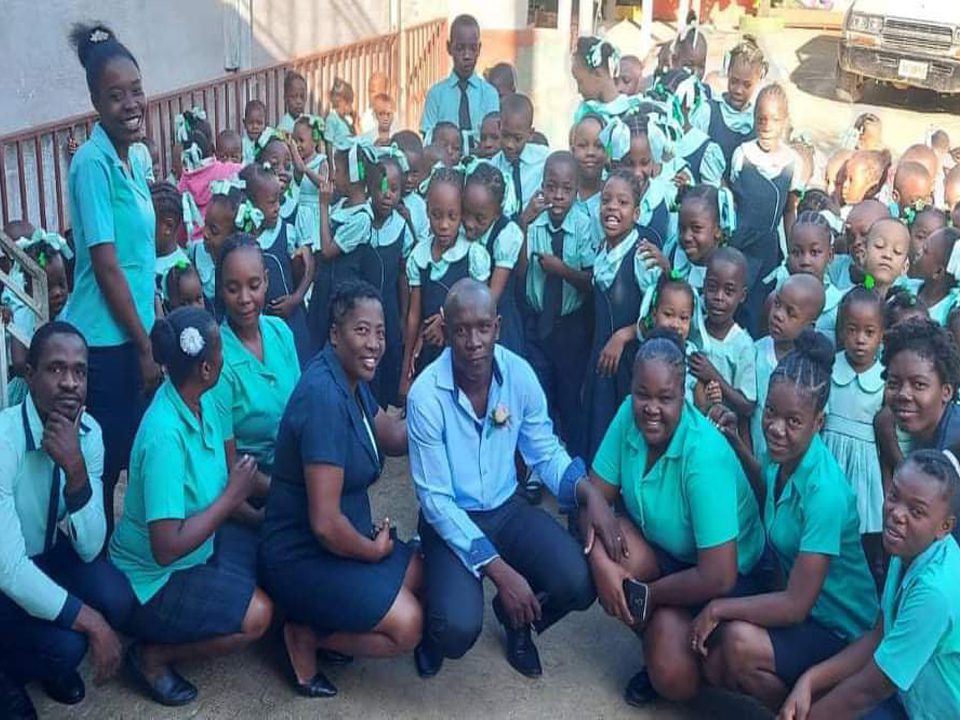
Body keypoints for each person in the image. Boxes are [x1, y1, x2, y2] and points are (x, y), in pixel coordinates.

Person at [406, 279, 619, 679]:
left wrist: (589, 493)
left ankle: (515, 619)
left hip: (506, 508)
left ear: (498, 327)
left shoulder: (517, 374)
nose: (473, 341)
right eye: (461, 330)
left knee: (578, 581)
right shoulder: (425, 396)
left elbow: (544, 448)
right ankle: (430, 627)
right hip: (452, 518)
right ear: (447, 331)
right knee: (455, 628)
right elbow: (435, 500)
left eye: (483, 327)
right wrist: (502, 573)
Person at [690, 330, 879, 713]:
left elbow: (795, 606)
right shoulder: (786, 458)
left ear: (818, 422)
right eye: (772, 413)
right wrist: (736, 443)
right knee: (717, 660)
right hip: (808, 616)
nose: (777, 428)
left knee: (738, 644)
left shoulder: (825, 492)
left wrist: (718, 610)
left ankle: (814, 710)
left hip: (840, 630)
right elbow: (769, 485)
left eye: (793, 421)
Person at [587, 329, 767, 707]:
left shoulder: (703, 455)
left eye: (665, 398)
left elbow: (719, 574)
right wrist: (601, 565)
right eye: (643, 395)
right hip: (668, 553)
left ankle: (680, 644)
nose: (651, 408)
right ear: (631, 388)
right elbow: (594, 499)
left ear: (683, 395)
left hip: (728, 578)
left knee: (675, 679)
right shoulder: (627, 416)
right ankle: (662, 633)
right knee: (611, 545)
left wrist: (648, 596)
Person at [260, 281, 421, 698]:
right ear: (335, 334)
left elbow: (387, 434)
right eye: (361, 331)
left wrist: (441, 410)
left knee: (423, 574)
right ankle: (305, 635)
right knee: (408, 625)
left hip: (339, 544)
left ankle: (336, 615)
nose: (375, 343)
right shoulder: (323, 399)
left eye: (381, 331)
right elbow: (326, 524)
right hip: (304, 555)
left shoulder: (348, 377)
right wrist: (374, 552)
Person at [110, 307, 273, 707]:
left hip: (199, 547)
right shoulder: (164, 433)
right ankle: (152, 655)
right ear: (205, 368)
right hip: (154, 579)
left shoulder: (202, 400)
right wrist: (235, 497)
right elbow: (165, 547)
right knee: (259, 616)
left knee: (270, 560)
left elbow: (214, 489)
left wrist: (255, 515)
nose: (224, 359)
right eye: (220, 353)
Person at [0, 323, 134, 717]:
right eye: (56, 369)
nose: (70, 383)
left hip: (44, 553)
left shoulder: (89, 434)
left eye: (79, 371)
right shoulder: (5, 440)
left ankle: (41, 658)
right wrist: (90, 622)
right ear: (30, 375)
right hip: (4, 566)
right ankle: (7, 673)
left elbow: (91, 547)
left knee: (116, 597)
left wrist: (76, 472)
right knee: (70, 644)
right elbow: (9, 570)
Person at [64, 23, 163, 536]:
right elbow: (106, 266)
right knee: (105, 467)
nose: (131, 104)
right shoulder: (91, 164)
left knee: (138, 455)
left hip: (138, 331)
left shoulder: (135, 157)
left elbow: (141, 255)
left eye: (136, 91)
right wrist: (145, 346)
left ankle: (130, 556)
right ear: (97, 103)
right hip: (106, 342)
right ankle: (95, 567)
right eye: (116, 96)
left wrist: (156, 319)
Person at [778, 449, 960, 720]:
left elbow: (871, 689)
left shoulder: (934, 591)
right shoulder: (908, 548)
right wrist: (810, 680)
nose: (896, 514)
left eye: (916, 511)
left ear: (944, 527)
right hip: (908, 701)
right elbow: (879, 636)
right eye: (894, 496)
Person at [210, 236, 300, 499]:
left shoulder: (281, 332)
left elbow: (301, 410)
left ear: (267, 281)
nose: (245, 298)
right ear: (220, 289)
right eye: (233, 288)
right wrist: (285, 494)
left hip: (298, 473)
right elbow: (230, 463)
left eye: (254, 285)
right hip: (252, 492)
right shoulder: (218, 360)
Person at [521, 150, 595, 457]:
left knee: (569, 395)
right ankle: (541, 464)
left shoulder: (584, 224)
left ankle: (574, 463)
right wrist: (523, 222)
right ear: (542, 186)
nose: (558, 196)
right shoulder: (533, 222)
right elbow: (519, 271)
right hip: (537, 322)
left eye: (566, 189)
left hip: (569, 327)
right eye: (551, 187)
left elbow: (591, 280)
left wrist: (561, 270)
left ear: (577, 192)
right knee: (539, 393)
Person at [399, 167, 491, 400]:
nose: (444, 225)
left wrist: (444, 319)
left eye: (452, 216)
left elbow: (481, 308)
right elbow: (413, 315)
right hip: (430, 349)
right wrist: (406, 369)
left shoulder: (472, 255)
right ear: (426, 212)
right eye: (436, 215)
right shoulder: (419, 256)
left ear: (462, 214)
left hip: (465, 353)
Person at [875, 318, 960, 543]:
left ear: (947, 391)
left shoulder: (953, 456)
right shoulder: (925, 437)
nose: (903, 394)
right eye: (893, 383)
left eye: (919, 385)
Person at [729, 83, 803, 336]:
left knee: (760, 308)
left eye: (774, 119)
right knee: (734, 304)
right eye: (761, 119)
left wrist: (794, 249)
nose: (767, 125)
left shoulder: (792, 162)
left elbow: (789, 211)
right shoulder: (743, 155)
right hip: (740, 245)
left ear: (785, 121)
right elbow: (733, 204)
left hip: (768, 250)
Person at [823, 288, 886, 577]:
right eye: (852, 330)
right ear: (840, 331)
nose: (860, 340)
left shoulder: (885, 378)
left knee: (861, 530)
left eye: (869, 332)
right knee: (827, 522)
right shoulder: (830, 366)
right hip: (831, 455)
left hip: (865, 465)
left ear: (881, 335)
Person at [237, 163, 313, 365]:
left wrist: (295, 299)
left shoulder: (286, 232)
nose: (278, 207)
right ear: (251, 205)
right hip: (263, 331)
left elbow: (309, 267)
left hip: (293, 321)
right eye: (271, 203)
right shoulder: (242, 243)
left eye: (278, 200)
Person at [461, 160, 524, 355]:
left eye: (479, 219)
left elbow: (491, 298)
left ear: (497, 214)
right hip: (466, 323)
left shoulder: (506, 235)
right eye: (465, 213)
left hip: (498, 327)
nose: (469, 224)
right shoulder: (458, 229)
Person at [420, 14, 499, 145]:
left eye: (472, 48)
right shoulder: (436, 95)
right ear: (449, 48)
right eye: (460, 48)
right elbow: (428, 139)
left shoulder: (489, 94)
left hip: (483, 162)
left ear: (479, 49)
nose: (467, 55)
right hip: (445, 162)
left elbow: (495, 139)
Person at [698, 36, 765, 180]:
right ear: (728, 72)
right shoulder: (708, 112)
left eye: (747, 85)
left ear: (758, 80)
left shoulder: (759, 121)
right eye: (734, 81)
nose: (739, 90)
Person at [492, 93, 549, 215]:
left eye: (517, 138)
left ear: (530, 134)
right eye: (505, 135)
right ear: (498, 126)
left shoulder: (545, 160)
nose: (510, 145)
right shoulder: (493, 168)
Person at [241, 99, 267, 164]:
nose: (255, 127)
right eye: (250, 123)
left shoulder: (266, 141)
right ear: (244, 123)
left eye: (259, 123)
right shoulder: (242, 144)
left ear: (265, 124)